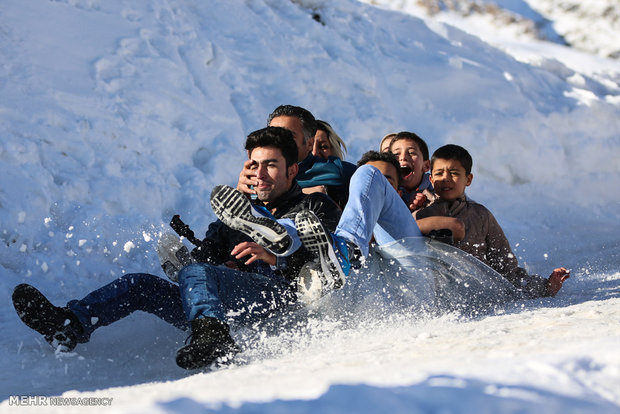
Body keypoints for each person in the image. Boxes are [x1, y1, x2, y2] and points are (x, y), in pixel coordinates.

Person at [12, 126, 342, 370]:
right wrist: (213, 264)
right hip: (220, 301)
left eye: (271, 164)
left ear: (292, 170)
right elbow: (208, 254)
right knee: (139, 284)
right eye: (254, 165)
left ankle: (213, 337)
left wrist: (273, 256)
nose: (261, 174)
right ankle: (69, 324)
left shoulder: (316, 204)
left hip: (281, 299)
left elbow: (323, 256)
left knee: (201, 273)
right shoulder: (237, 213)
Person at [415, 144, 570, 297]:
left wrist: (545, 288)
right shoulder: (421, 212)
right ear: (431, 178)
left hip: (478, 297)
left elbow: (506, 267)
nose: (446, 178)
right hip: (434, 297)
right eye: (439, 173)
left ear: (468, 179)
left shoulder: (480, 216)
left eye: (454, 173)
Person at [237, 105, 356, 209]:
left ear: (309, 144)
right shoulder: (256, 172)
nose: (278, 141)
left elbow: (369, 177)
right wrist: (241, 196)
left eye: (288, 136)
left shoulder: (335, 170)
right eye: (272, 134)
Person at [388, 131, 435, 213]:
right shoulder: (386, 193)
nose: (403, 157)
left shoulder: (439, 189)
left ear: (426, 166)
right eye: (396, 154)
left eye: (411, 153)